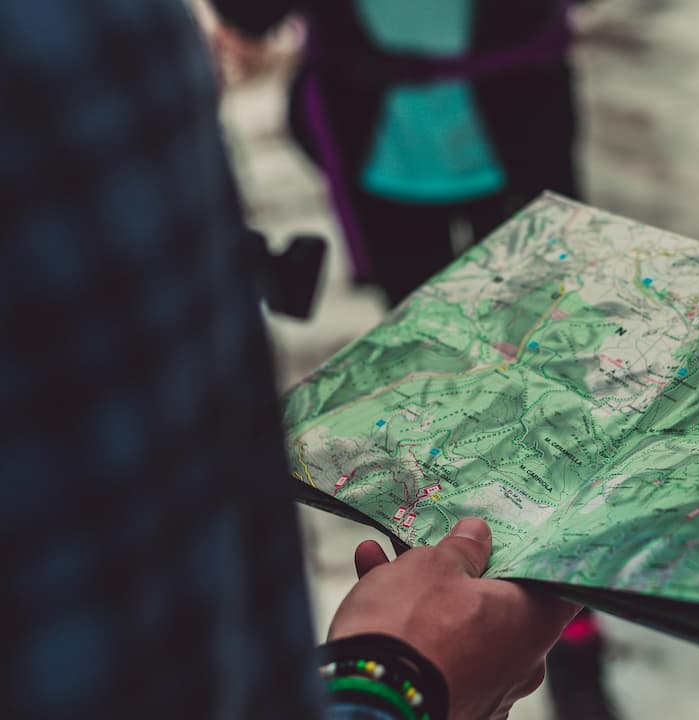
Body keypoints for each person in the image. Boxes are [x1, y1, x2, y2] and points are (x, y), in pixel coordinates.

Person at [0, 2, 578, 718]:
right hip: (388, 179)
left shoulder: (95, 46)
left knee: (558, 396)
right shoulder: (87, 47)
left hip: (517, 170)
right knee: (452, 398)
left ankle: (573, 635)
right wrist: (400, 682)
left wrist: (396, 680)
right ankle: (473, 579)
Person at [208, 0, 582, 305]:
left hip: (522, 140)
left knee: (542, 317)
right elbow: (250, 13)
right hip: (379, 152)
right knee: (424, 345)